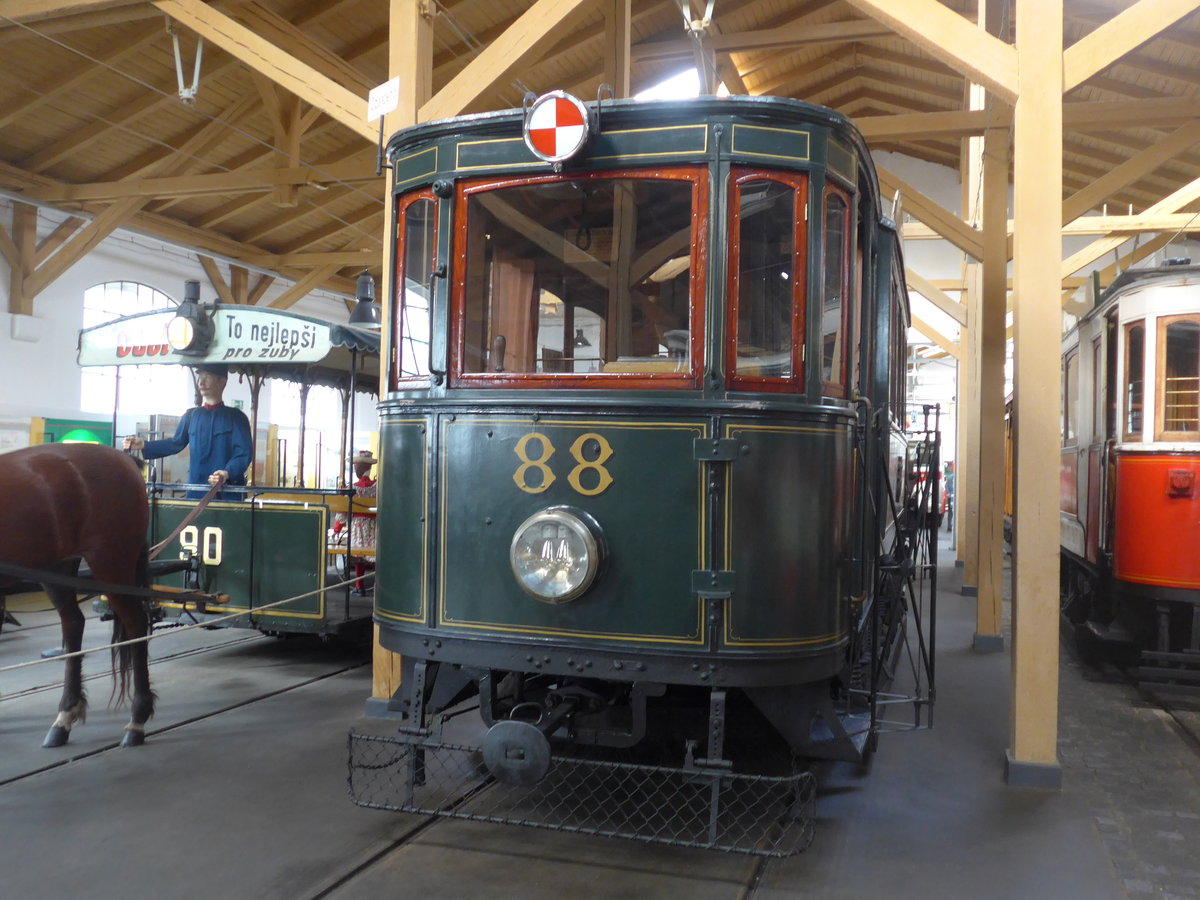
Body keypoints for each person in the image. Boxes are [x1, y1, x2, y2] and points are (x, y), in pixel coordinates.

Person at [124, 363, 252, 499]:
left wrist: (227, 473)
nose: (201, 382)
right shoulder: (191, 416)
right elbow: (176, 443)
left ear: (222, 381)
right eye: (200, 377)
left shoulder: (236, 417)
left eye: (207, 377)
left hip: (226, 492)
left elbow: (243, 453)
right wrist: (144, 445)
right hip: (195, 492)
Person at [333, 450, 377, 594]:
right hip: (374, 526)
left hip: (358, 526)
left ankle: (359, 586)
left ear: (363, 467)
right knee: (375, 556)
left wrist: (337, 529)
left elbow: (342, 512)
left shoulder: (351, 488)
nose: (355, 469)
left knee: (358, 557)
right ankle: (379, 586)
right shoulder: (377, 487)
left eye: (356, 466)